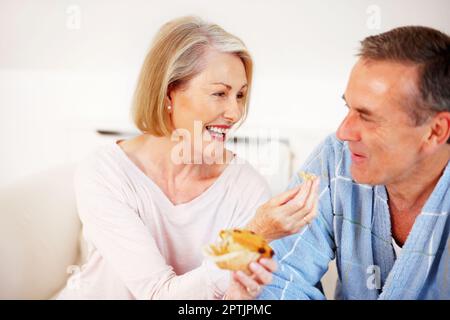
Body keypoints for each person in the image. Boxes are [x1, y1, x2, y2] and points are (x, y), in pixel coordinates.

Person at [57, 16, 320, 300]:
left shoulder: (245, 187)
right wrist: (254, 235)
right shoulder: (104, 173)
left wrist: (238, 296)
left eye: (240, 96)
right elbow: (158, 294)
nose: (234, 113)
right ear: (169, 92)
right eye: (220, 93)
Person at [253, 26, 450, 300]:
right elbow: (276, 275)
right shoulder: (336, 158)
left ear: (435, 131)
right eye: (349, 108)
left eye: (367, 117)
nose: (343, 132)